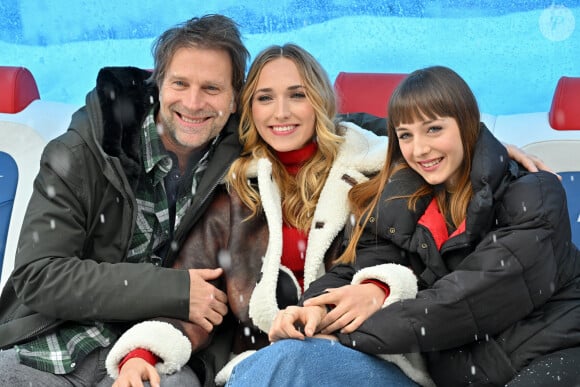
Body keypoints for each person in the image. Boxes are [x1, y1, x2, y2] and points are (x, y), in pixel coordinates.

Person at [103, 50, 553, 387]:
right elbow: (196, 296)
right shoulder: (233, 198)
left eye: (297, 95)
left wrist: (485, 151)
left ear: (318, 100)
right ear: (249, 110)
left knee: (295, 364)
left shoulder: (385, 173)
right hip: (268, 365)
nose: (281, 112)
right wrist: (143, 351)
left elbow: (420, 245)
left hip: (380, 359)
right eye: (265, 98)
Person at [239, 66, 580, 387]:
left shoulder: (535, 194)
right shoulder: (401, 200)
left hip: (550, 352)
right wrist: (313, 310)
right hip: (454, 372)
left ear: (465, 124)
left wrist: (349, 327)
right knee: (284, 360)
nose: (420, 149)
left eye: (434, 129)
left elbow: (466, 302)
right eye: (405, 135)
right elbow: (356, 267)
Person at [0, 14, 249, 387]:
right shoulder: (84, 151)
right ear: (158, 84)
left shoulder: (248, 156)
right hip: (49, 346)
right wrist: (175, 290)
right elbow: (39, 276)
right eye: (180, 83)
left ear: (234, 100)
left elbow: (325, 122)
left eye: (211, 89)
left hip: (166, 354)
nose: (193, 103)